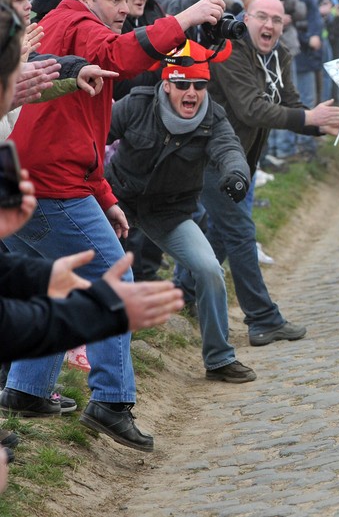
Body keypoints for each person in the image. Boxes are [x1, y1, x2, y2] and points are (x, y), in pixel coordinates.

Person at [0, 0, 224, 452]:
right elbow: (121, 56)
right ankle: (111, 400)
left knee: (60, 282)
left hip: (31, 182)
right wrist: (186, 18)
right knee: (116, 282)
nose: (127, 8)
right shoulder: (80, 25)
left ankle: (25, 388)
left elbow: (78, 129)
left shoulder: (57, 26)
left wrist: (105, 196)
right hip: (52, 186)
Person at [175, 0, 339, 347]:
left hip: (242, 159)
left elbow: (289, 104)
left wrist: (321, 124)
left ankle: (183, 290)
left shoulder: (280, 55)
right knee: (240, 232)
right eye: (262, 17)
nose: (270, 25)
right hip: (209, 153)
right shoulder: (230, 50)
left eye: (277, 20)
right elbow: (251, 110)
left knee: (221, 232)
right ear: (247, 18)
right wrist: (308, 118)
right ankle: (262, 319)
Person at [106, 40, 256, 384]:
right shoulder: (136, 104)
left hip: (170, 212)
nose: (192, 93)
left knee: (208, 270)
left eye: (200, 85)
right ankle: (89, 355)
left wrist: (236, 175)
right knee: (103, 272)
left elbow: (230, 150)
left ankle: (219, 358)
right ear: (168, 84)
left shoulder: (214, 117)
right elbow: (93, 133)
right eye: (184, 84)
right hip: (118, 203)